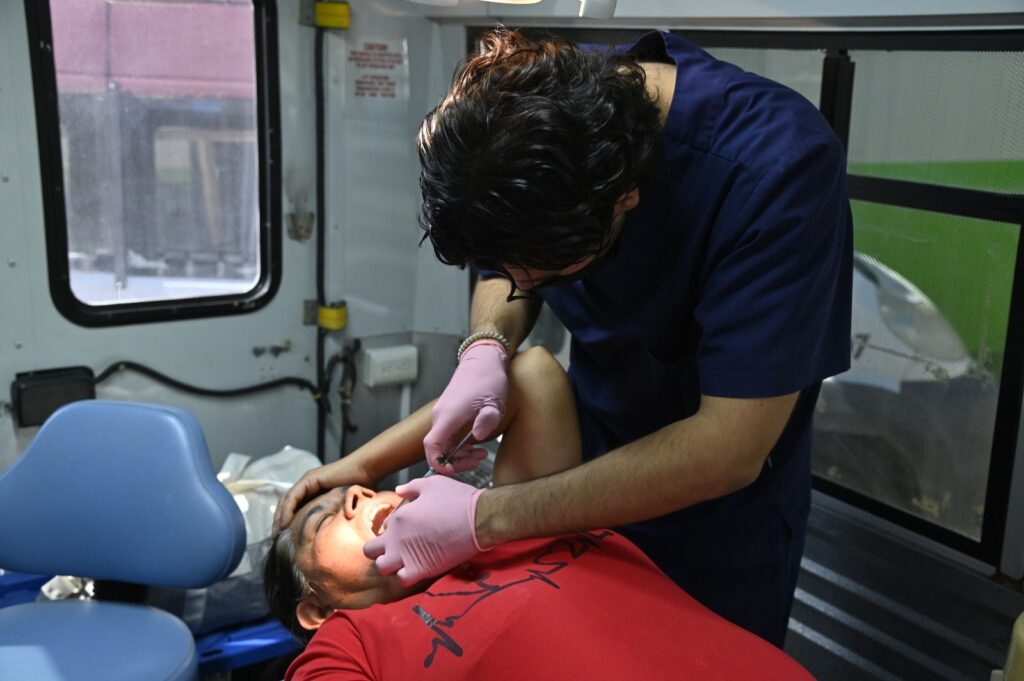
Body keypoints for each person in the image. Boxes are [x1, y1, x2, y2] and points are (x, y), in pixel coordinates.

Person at [276, 28, 853, 648]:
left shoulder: (774, 173)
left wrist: (484, 519)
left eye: (545, 273)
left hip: (715, 517)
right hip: (578, 466)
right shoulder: (528, 110)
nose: (521, 288)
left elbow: (727, 450)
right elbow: (505, 277)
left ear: (624, 197)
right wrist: (485, 346)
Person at [265, 347, 813, 680]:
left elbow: (532, 375)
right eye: (325, 520)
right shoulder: (353, 643)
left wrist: (364, 462)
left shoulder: (509, 526)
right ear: (316, 610)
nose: (358, 494)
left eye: (363, 489)